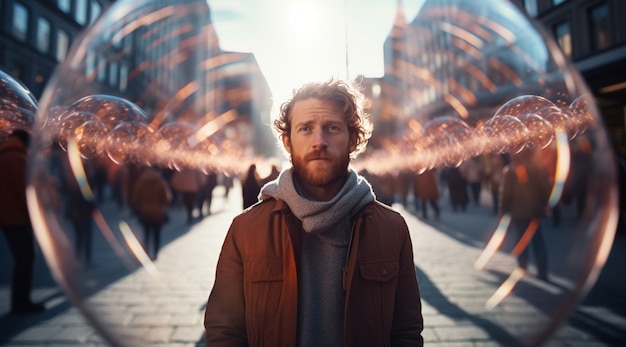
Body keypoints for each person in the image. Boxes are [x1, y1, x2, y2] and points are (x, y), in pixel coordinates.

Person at [204, 78, 424, 346]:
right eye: (306, 128)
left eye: (331, 128)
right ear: (288, 142)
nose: (319, 141)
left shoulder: (391, 229)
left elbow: (406, 332)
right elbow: (224, 332)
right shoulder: (246, 229)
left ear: (353, 140)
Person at [0, 129, 45, 314]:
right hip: (16, 217)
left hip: (8, 216)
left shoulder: (5, 155)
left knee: (23, 258)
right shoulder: (16, 159)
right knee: (26, 258)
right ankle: (21, 302)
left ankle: (21, 301)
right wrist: (34, 215)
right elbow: (24, 191)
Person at [500, 149, 551, 281]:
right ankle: (542, 270)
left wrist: (504, 212)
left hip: (518, 212)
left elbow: (506, 195)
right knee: (538, 241)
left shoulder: (510, 170)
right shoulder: (536, 168)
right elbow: (545, 188)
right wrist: (547, 203)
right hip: (535, 211)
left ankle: (522, 267)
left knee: (521, 241)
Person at [130, 166, 172, 260]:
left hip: (145, 212)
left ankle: (146, 250)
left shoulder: (140, 183)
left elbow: (135, 198)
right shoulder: (160, 182)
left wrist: (140, 206)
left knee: (146, 233)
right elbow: (166, 199)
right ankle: (156, 252)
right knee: (156, 234)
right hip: (157, 212)